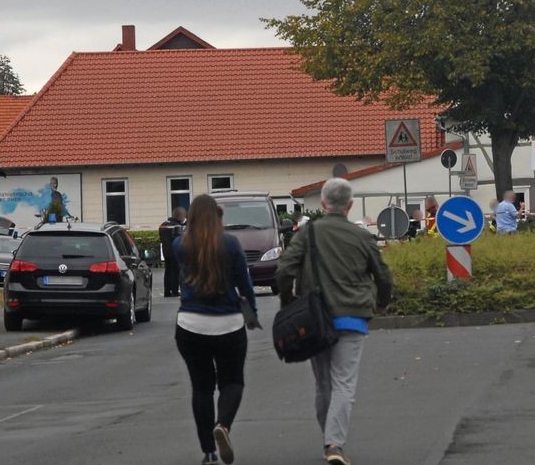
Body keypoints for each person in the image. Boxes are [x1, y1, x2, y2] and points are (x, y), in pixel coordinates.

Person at [276, 178, 394, 465]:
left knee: (323, 384)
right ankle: (334, 444)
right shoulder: (362, 237)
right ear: (350, 205)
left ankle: (329, 443)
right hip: (352, 318)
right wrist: (381, 302)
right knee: (344, 384)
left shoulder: (308, 233)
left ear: (324, 203)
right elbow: (384, 275)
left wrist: (287, 301)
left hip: (315, 320)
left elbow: (284, 270)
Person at [174, 194, 257, 465]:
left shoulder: (180, 245)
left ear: (191, 216)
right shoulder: (231, 245)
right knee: (232, 382)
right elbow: (244, 285)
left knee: (201, 387)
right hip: (228, 324)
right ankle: (223, 425)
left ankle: (208, 452)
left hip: (190, 324)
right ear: (218, 215)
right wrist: (252, 313)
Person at [160, 206, 187, 297]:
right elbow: (180, 238)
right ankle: (174, 291)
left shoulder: (164, 224)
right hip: (174, 251)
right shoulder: (177, 226)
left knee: (167, 272)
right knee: (175, 272)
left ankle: (167, 291)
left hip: (166, 252)